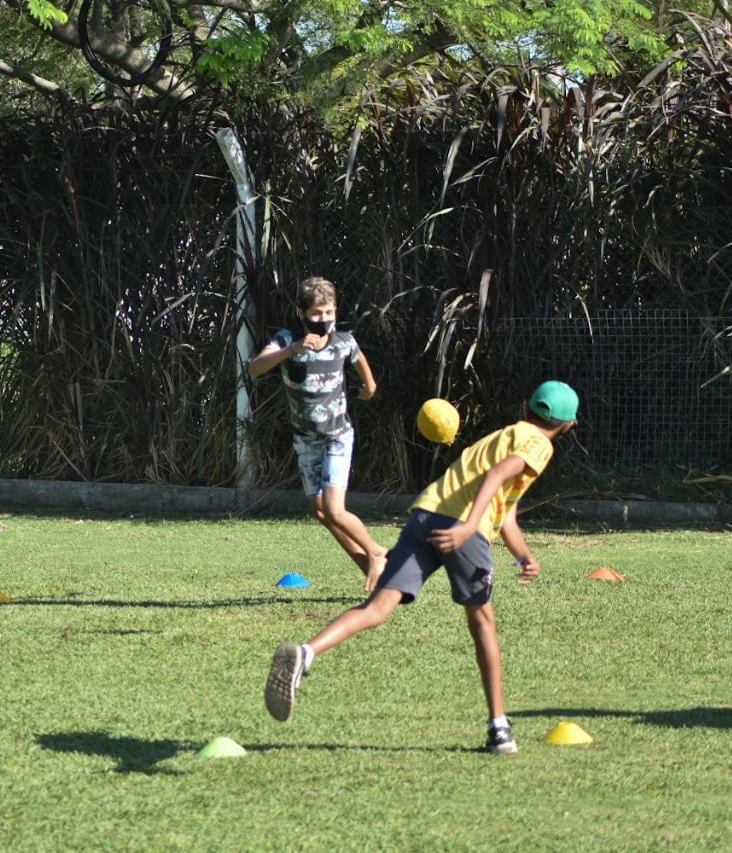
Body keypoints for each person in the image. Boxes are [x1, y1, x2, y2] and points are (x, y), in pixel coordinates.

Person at [263, 380, 579, 755]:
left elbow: (505, 507)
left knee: (377, 609)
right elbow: (495, 479)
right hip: (462, 527)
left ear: (526, 407)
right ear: (568, 425)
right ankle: (499, 730)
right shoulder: (539, 444)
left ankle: (306, 652)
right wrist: (466, 527)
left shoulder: (504, 435)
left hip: (426, 515)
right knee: (483, 623)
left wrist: (524, 554)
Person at [248, 276, 388, 591]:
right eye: (316, 314)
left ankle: (377, 552)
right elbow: (255, 368)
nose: (323, 320)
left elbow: (359, 358)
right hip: (305, 439)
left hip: (337, 436)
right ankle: (370, 567)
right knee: (323, 513)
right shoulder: (288, 340)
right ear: (302, 313)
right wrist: (293, 349)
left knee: (336, 509)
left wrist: (369, 386)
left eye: (329, 313)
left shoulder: (343, 341)